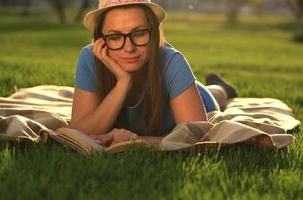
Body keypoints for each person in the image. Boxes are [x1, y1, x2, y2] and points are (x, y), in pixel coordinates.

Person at [70, 0, 237, 147]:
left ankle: (222, 88)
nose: (129, 48)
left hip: (197, 98)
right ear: (101, 40)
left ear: (154, 32)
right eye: (115, 36)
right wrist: (123, 82)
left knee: (217, 94)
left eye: (140, 33)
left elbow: (196, 135)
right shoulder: (90, 58)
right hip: (172, 88)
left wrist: (138, 140)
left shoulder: (172, 60)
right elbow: (80, 132)